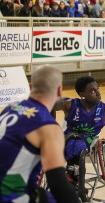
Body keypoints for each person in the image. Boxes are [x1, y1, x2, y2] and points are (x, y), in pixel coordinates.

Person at [0, 65, 80, 203]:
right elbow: (58, 184)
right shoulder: (48, 126)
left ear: (30, 87)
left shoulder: (10, 108)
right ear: (59, 90)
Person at [52, 76, 105, 165]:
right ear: (82, 94)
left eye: (98, 89)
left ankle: (72, 171)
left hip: (90, 142)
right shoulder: (69, 104)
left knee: (78, 146)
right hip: (67, 137)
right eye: (93, 91)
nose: (98, 93)